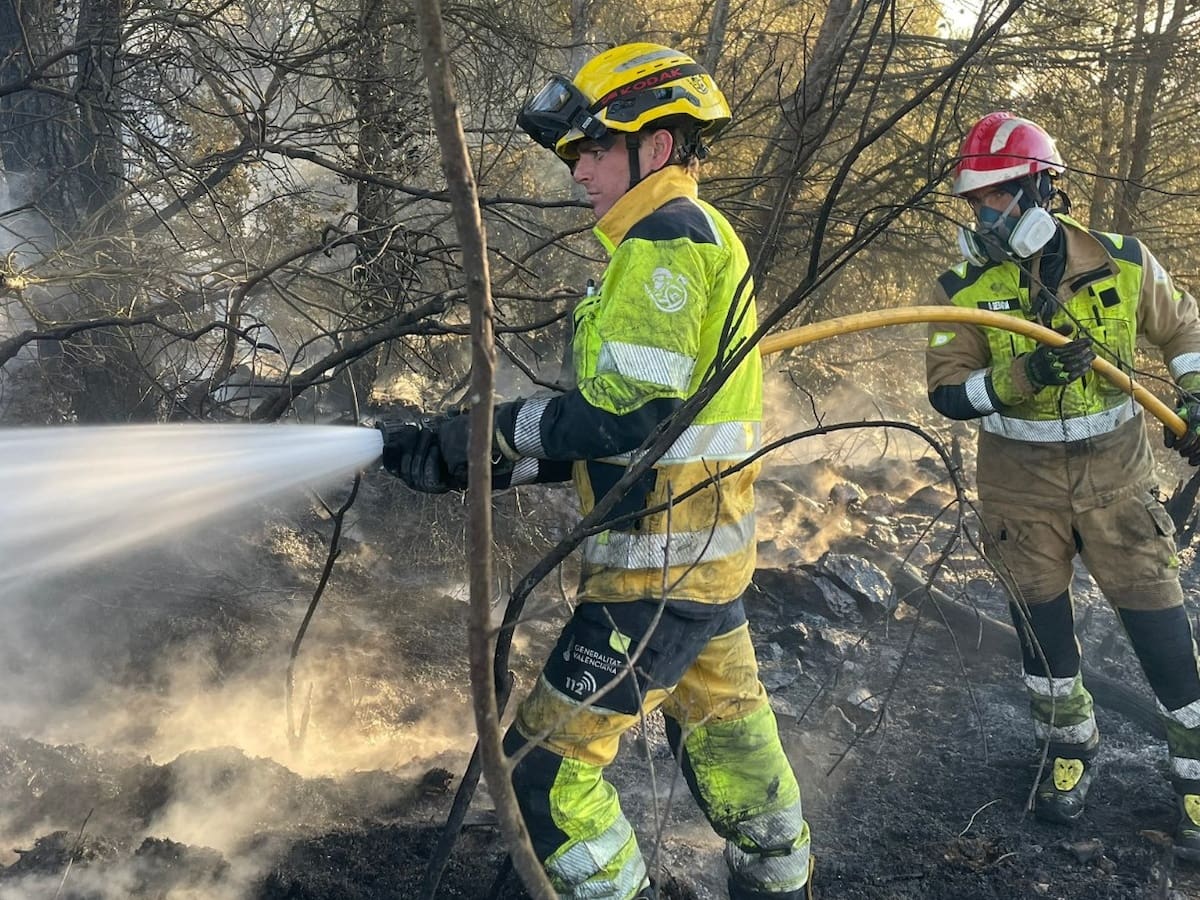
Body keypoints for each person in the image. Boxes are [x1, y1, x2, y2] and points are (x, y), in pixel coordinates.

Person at [383, 43, 811, 900]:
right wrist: (476, 466)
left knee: (542, 777)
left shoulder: (665, 244)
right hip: (696, 560)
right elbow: (627, 435)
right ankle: (780, 878)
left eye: (591, 149)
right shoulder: (685, 239)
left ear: (655, 144)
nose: (576, 170)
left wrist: (487, 434)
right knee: (729, 731)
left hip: (656, 572)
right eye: (573, 153)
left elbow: (624, 417)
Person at [925, 110, 1200, 859]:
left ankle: (1196, 772)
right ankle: (1069, 746)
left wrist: (1195, 397)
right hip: (1020, 495)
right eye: (974, 202)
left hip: (1120, 482)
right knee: (1043, 643)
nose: (981, 215)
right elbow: (947, 393)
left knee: (1163, 631)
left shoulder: (1123, 260)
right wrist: (1021, 376)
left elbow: (1185, 330)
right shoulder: (962, 288)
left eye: (995, 197)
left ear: (1042, 191)